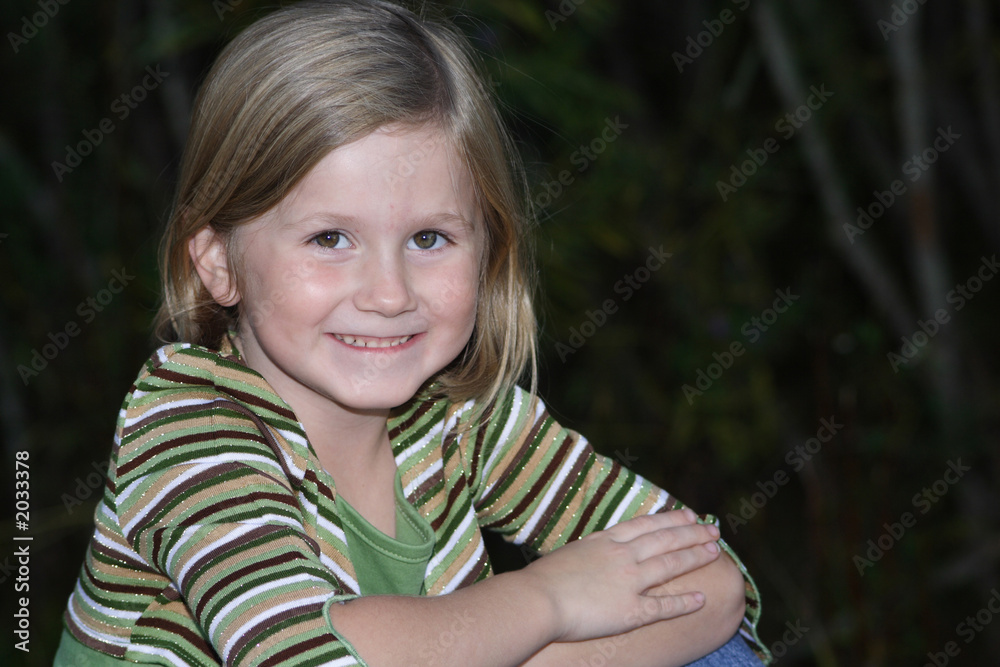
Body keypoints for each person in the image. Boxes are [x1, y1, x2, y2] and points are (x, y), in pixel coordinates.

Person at [56, 1, 771, 665]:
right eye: (330, 237)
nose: (390, 293)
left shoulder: (464, 416)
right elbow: (308, 657)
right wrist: (545, 599)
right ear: (219, 263)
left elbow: (708, 578)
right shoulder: (190, 429)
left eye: (429, 238)